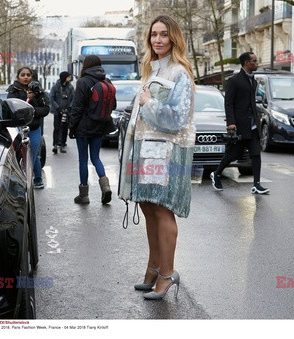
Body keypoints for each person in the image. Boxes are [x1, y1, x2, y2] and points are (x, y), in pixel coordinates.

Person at [118, 15, 196, 300]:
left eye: (164, 35)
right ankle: (153, 267)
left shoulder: (180, 73)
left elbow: (177, 118)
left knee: (162, 210)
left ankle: (167, 274)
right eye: (154, 35)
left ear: (174, 38)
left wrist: (148, 103)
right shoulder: (152, 70)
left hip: (166, 151)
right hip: (146, 147)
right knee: (147, 208)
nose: (158, 40)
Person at [210, 52, 270, 194]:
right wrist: (231, 123)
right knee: (234, 154)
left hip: (253, 125)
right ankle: (217, 174)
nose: (257, 63)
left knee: (256, 154)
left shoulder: (253, 81)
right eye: (254, 61)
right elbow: (228, 103)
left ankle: (256, 184)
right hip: (240, 125)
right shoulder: (234, 80)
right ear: (246, 63)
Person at [69, 55, 116, 205]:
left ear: (85, 66)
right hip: (100, 126)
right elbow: (113, 105)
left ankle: (84, 195)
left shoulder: (83, 82)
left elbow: (77, 107)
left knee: (83, 159)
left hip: (83, 128)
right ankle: (105, 187)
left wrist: (71, 127)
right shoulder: (106, 81)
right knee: (96, 158)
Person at [7, 66, 49, 189]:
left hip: (34, 128)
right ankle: (23, 180)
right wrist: (27, 100)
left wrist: (33, 108)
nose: (26, 77)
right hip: (18, 129)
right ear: (18, 77)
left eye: (28, 75)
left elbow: (46, 109)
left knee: (33, 154)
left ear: (32, 77)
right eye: (23, 75)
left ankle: (37, 179)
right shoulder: (13, 90)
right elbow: (11, 108)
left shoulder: (38, 91)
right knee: (20, 155)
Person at [50, 71, 74, 154]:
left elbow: (73, 99)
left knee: (64, 127)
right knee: (57, 128)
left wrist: (69, 108)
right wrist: (58, 108)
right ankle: (55, 145)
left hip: (66, 111)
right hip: (57, 112)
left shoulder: (70, 87)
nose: (70, 78)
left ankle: (63, 144)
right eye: (68, 77)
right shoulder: (55, 87)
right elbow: (51, 98)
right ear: (64, 77)